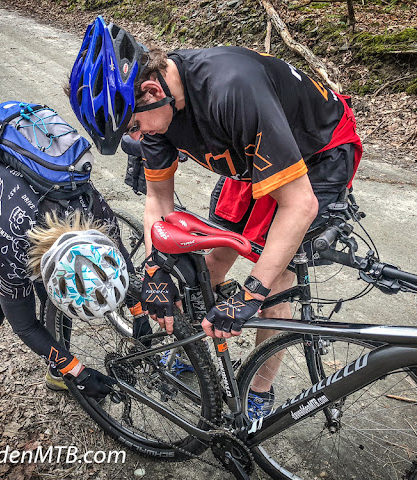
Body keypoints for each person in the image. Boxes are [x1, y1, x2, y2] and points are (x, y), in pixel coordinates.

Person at [68, 17, 362, 417]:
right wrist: (155, 266)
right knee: (209, 260)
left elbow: (300, 204)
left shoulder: (230, 90)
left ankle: (258, 389)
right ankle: (196, 355)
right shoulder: (158, 114)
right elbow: (158, 200)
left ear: (152, 91)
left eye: (132, 127)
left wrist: (251, 292)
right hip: (245, 154)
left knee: (275, 284)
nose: (135, 139)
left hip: (316, 155)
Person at [0, 116, 148, 438]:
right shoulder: (15, 241)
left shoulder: (99, 214)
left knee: (55, 297)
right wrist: (76, 370)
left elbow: (125, 273)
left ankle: (55, 371)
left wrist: (139, 313)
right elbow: (22, 323)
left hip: (19, 201)